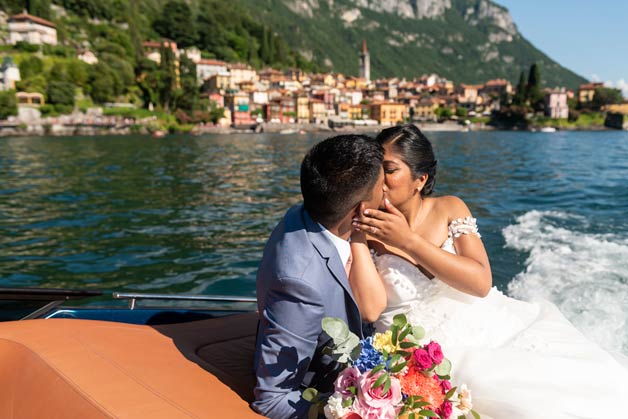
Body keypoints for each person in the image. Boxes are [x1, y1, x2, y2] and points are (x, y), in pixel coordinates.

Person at [349, 124, 628, 419]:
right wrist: (357, 235)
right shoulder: (361, 228)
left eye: (389, 170)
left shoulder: (449, 208)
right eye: (375, 169)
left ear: (420, 179)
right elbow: (369, 310)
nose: (378, 179)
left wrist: (408, 241)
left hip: (481, 327)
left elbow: (481, 283)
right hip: (411, 354)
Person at [253, 134, 387, 419]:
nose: (385, 192)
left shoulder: (308, 211)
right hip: (326, 385)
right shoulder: (300, 284)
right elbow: (272, 399)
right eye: (381, 186)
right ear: (362, 209)